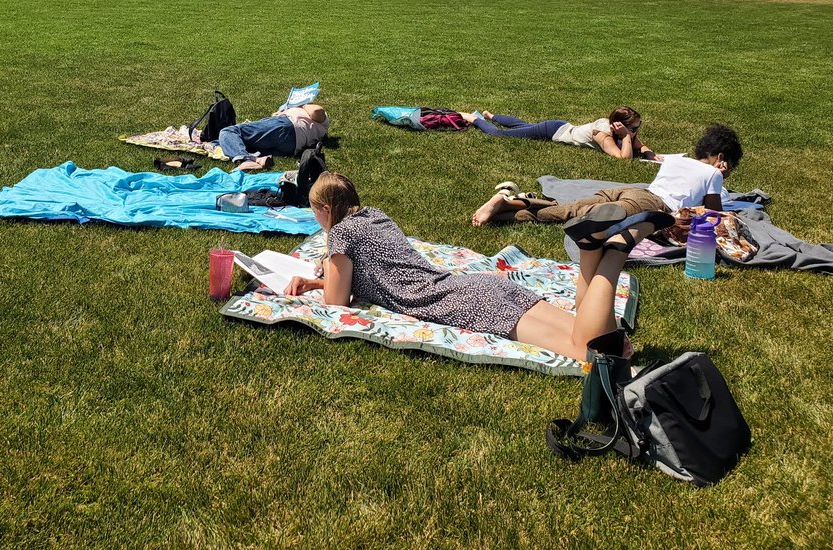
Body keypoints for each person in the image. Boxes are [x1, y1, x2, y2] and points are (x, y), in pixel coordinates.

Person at [284, 172, 652, 361]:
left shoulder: (341, 235)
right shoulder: (374, 216)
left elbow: (336, 303)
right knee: (592, 335)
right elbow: (359, 279)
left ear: (326, 211)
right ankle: (589, 248)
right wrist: (315, 282)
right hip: (482, 286)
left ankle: (615, 251)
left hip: (463, 304)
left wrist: (322, 277)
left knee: (590, 351)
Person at [471, 124, 742, 229]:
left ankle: (507, 208)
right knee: (571, 215)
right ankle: (506, 208)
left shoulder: (675, 160)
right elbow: (713, 214)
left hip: (632, 192)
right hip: (650, 206)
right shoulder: (713, 174)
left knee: (573, 207)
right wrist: (719, 178)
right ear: (721, 159)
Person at [459, 106, 660, 161]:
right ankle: (474, 118)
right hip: (552, 131)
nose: (636, 132)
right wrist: (625, 137)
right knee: (500, 136)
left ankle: (492, 115)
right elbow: (623, 159)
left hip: (561, 126)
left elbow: (638, 146)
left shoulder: (626, 132)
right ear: (618, 126)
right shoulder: (604, 135)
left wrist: (649, 153)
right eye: (633, 128)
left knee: (522, 127)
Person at [218, 104, 328, 171]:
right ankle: (258, 160)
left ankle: (245, 160)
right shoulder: (316, 129)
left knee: (229, 131)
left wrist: (301, 105)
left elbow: (316, 111)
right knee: (242, 143)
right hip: (291, 145)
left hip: (286, 126)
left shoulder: (310, 111)